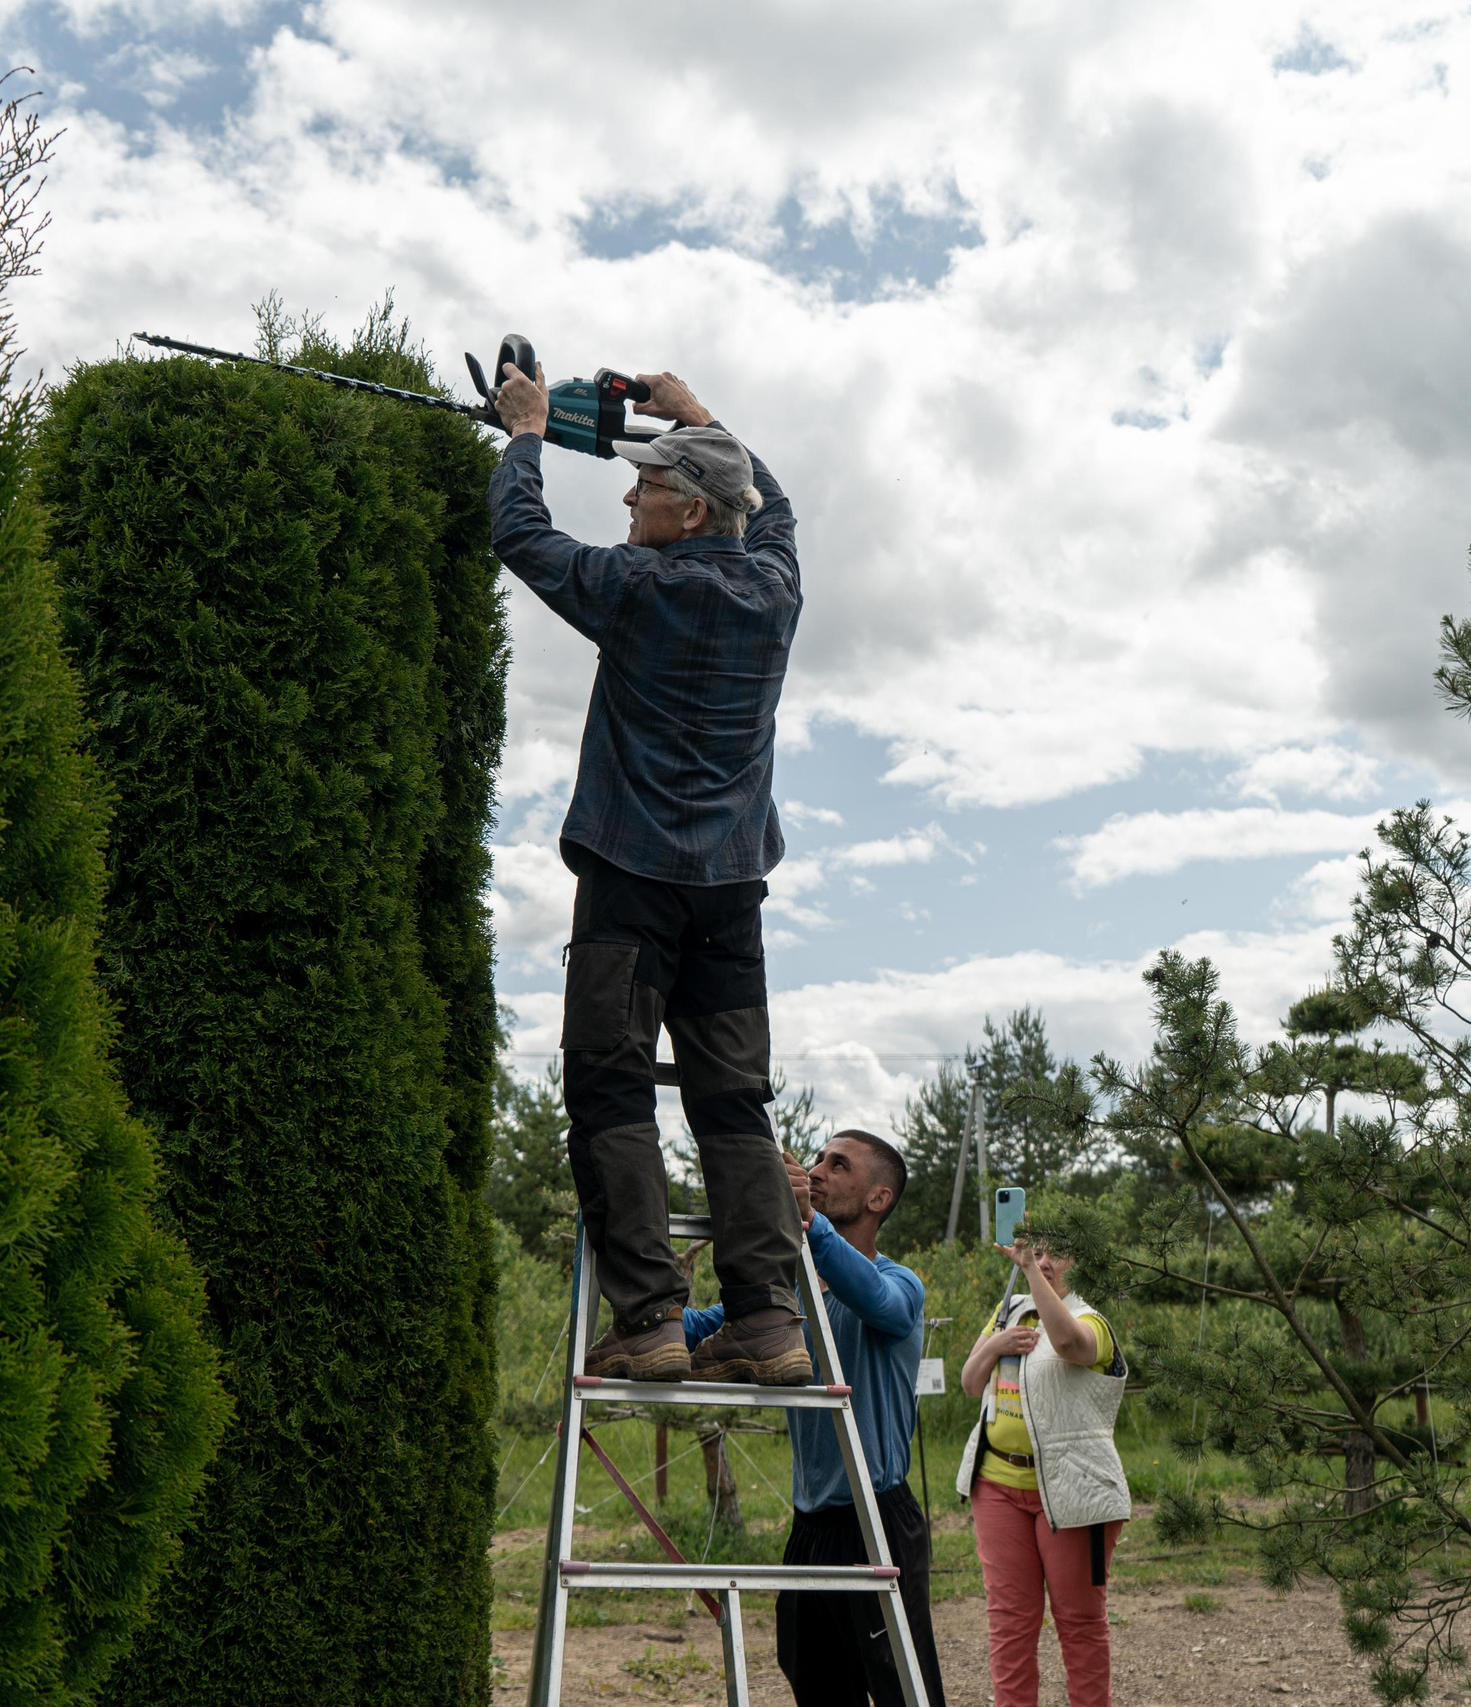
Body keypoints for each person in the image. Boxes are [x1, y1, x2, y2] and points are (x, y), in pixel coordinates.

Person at [487, 361, 808, 1385]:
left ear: (692, 511)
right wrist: (701, 416)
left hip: (631, 885)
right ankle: (768, 1320)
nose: (628, 498)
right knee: (733, 1103)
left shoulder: (636, 590)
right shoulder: (774, 591)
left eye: (647, 486)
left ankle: (651, 1317)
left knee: (610, 1088)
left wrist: (526, 433)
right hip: (732, 896)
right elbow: (774, 504)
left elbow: (521, 536)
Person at [686, 1131, 947, 1707]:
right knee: (816, 1682)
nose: (819, 1169)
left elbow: (878, 1302)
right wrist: (638, 1300)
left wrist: (810, 1223)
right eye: (818, 1159)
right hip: (809, 1526)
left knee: (903, 1687)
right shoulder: (785, 1297)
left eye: (839, 1164)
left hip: (877, 1520)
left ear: (878, 1198)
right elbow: (699, 1327)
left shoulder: (900, 1284)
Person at [955, 1237, 1132, 1707]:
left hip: (1074, 1493)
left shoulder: (1092, 1321)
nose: (1044, 1261)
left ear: (1080, 1264)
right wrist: (997, 1343)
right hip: (996, 1484)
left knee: (1079, 1622)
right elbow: (970, 1383)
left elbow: (1070, 1345)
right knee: (1010, 1624)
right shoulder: (1008, 1311)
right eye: (1037, 1252)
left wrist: (1031, 1270)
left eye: (1055, 1254)